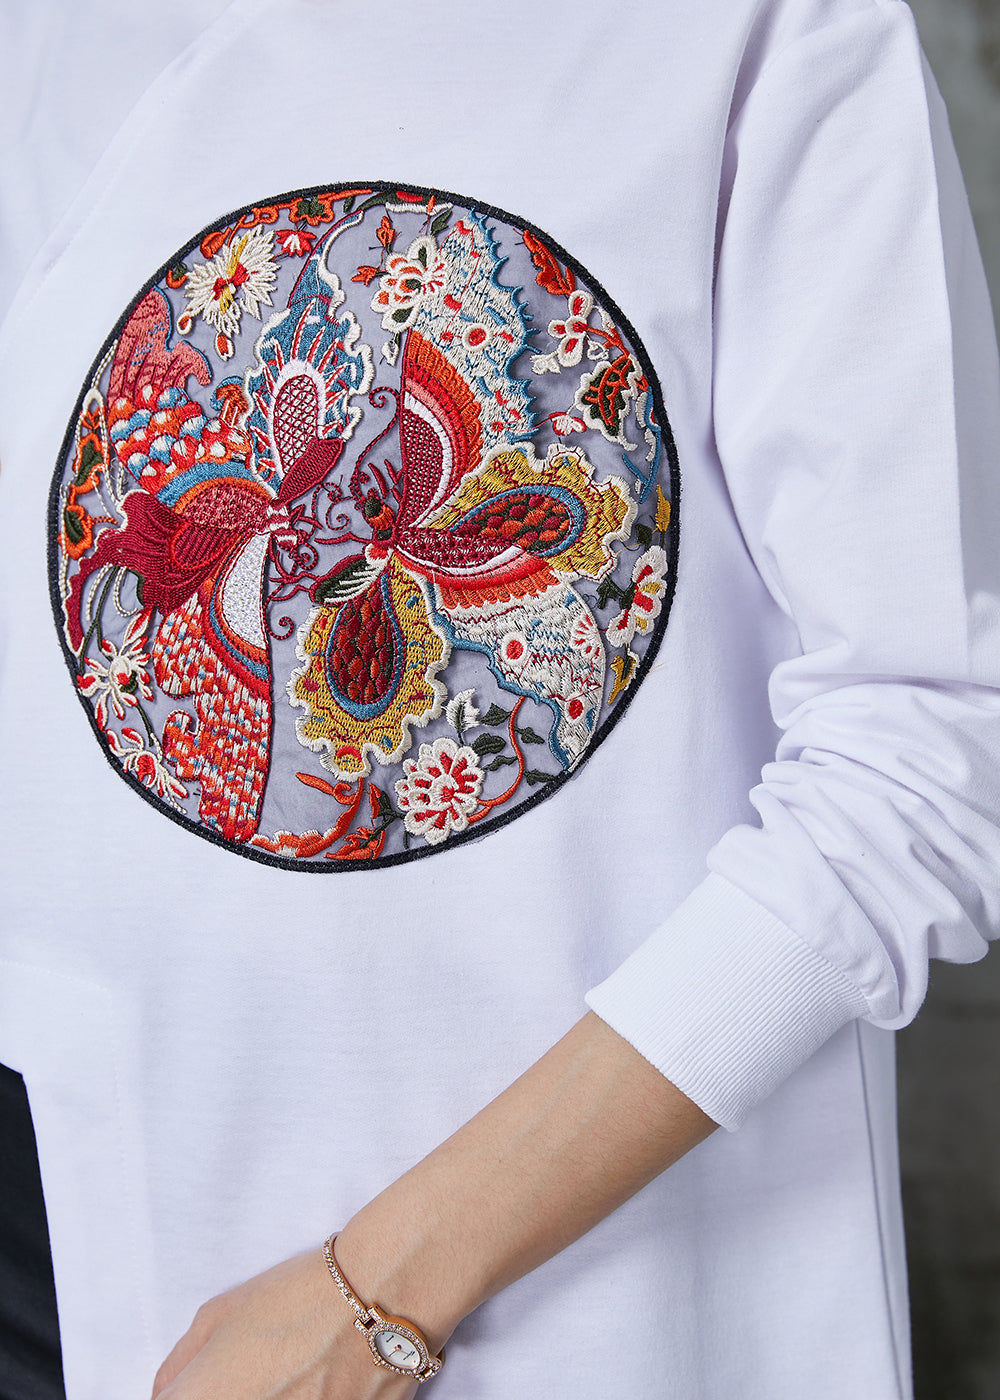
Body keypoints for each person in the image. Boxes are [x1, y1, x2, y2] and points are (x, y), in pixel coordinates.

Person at [1, 1, 999, 1397]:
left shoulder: (759, 31)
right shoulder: (51, 39)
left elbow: (927, 753)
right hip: (69, 1180)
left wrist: (384, 1291)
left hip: (480, 1298)